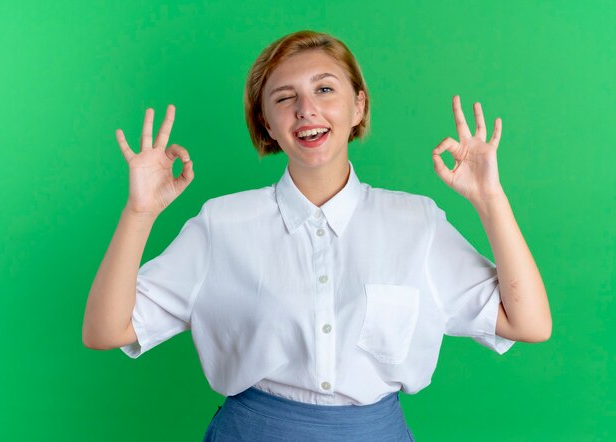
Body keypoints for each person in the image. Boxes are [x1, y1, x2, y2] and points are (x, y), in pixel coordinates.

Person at [82, 30, 552, 441]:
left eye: (324, 89)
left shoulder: (418, 222)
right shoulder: (221, 224)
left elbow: (528, 323)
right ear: (268, 122)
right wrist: (139, 212)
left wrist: (491, 200)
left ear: (358, 106)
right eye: (284, 98)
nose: (306, 109)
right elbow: (106, 332)